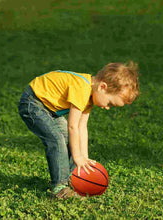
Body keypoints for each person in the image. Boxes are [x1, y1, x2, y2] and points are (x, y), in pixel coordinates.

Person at [18, 61, 139, 199]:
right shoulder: (82, 89)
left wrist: (84, 157)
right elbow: (73, 126)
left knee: (70, 139)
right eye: (110, 103)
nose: (107, 107)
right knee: (57, 140)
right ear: (102, 87)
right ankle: (59, 187)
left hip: (49, 109)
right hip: (33, 103)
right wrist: (77, 157)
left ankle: (71, 177)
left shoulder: (90, 95)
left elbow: (82, 127)